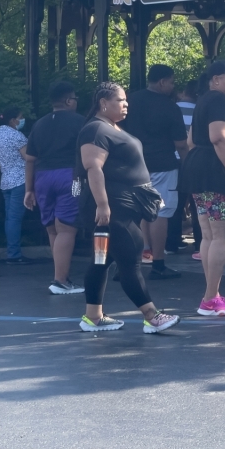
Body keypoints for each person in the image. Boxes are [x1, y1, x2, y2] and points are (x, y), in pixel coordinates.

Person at [76, 82, 179, 334]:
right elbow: (93, 167)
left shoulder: (110, 128)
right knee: (131, 258)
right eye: (121, 100)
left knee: (102, 260)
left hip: (124, 205)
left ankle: (93, 317)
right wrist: (102, 205)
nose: (126, 105)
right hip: (113, 208)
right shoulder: (95, 130)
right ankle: (151, 316)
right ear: (104, 103)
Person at [178, 60, 225, 316]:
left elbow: (190, 140)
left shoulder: (203, 101)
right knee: (223, 236)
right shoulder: (218, 101)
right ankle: (210, 298)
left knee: (208, 235)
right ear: (215, 79)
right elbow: (219, 137)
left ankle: (212, 293)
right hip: (217, 173)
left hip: (198, 170)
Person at [123, 65, 187, 280]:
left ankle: (140, 255)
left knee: (140, 211)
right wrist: (187, 164)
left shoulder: (131, 101)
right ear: (162, 82)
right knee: (162, 212)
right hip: (163, 164)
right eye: (171, 82)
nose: (172, 86)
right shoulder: (170, 107)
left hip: (134, 164)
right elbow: (181, 143)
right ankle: (158, 262)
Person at [24, 81, 86, 286]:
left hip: (42, 179)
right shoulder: (80, 122)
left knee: (52, 229)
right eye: (75, 99)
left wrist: (28, 189)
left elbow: (30, 159)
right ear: (69, 101)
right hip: (71, 177)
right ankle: (60, 280)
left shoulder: (39, 124)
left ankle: (60, 275)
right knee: (67, 228)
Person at [0, 107, 29, 264]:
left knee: (10, 218)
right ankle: (14, 254)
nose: (22, 120)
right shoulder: (17, 136)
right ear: (13, 120)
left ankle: (12, 252)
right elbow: (28, 158)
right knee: (15, 219)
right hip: (20, 180)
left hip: (5, 182)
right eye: (21, 117)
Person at [167, 80, 202, 254]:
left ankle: (172, 241)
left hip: (175, 159)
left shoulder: (173, 108)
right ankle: (200, 243)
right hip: (195, 160)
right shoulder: (200, 110)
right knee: (197, 204)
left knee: (176, 203)